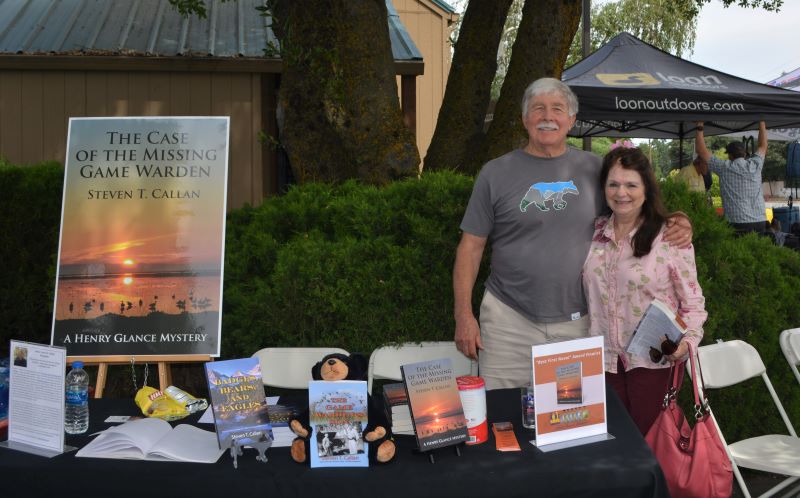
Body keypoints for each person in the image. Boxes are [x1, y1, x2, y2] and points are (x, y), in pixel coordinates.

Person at [454, 77, 692, 390]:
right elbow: (470, 247)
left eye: (557, 109)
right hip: (507, 321)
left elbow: (635, 206)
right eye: (538, 109)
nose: (547, 116)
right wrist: (463, 316)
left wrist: (678, 220)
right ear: (525, 118)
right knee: (504, 419)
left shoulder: (595, 170)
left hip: (580, 324)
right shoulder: (495, 173)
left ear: (572, 120)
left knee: (569, 422)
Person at [582, 146, 707, 435]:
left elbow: (693, 304)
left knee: (653, 449)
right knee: (614, 447)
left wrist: (687, 343)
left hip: (653, 364)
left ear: (647, 189)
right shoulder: (594, 233)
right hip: (603, 364)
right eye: (613, 184)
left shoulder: (670, 236)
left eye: (631, 185)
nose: (621, 192)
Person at [695, 121, 768, 235]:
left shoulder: (724, 167)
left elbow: (701, 150)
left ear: (730, 155)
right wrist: (762, 123)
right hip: (760, 220)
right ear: (744, 154)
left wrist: (700, 126)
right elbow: (763, 146)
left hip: (737, 223)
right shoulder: (755, 165)